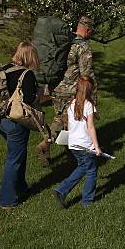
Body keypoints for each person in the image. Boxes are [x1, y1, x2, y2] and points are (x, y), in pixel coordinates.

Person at [39, 16, 96, 166]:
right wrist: (92, 94)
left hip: (55, 87)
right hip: (71, 91)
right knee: (66, 119)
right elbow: (86, 74)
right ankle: (47, 142)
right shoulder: (83, 47)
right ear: (88, 30)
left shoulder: (64, 41)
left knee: (61, 117)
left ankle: (68, 150)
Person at [0, 41, 40, 210]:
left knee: (19, 153)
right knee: (14, 159)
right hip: (15, 121)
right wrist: (38, 95)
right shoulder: (26, 74)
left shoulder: (4, 68)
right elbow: (28, 100)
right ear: (29, 56)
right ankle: (6, 200)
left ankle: (21, 186)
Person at [53, 76, 101, 209]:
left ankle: (61, 190)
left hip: (73, 144)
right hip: (85, 145)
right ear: (90, 90)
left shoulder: (72, 103)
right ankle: (87, 201)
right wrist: (96, 146)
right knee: (91, 171)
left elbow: (69, 124)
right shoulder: (88, 105)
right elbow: (91, 128)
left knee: (82, 167)